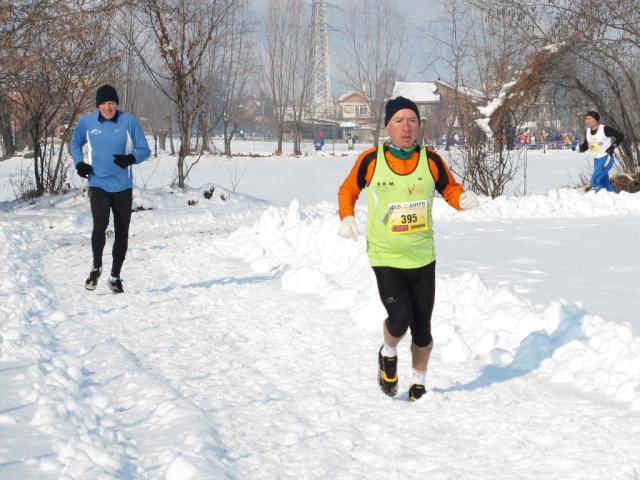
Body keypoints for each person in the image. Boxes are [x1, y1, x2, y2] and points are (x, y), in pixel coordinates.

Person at [337, 96, 479, 401]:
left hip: (422, 256)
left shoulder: (431, 161)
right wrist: (347, 216)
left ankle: (419, 383)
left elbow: (449, 188)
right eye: (399, 120)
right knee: (399, 317)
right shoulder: (370, 160)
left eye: (412, 120)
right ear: (388, 125)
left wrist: (462, 199)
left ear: (419, 126)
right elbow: (348, 189)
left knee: (423, 328)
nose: (406, 127)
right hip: (386, 255)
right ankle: (388, 353)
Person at [71, 84, 151, 293]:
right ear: (98, 105)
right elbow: (75, 144)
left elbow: (145, 149)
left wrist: (130, 158)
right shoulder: (87, 123)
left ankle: (115, 277)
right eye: (104, 103)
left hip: (123, 187)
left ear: (116, 104)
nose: (108, 107)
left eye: (111, 103)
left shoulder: (128, 122)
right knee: (100, 225)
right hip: (98, 183)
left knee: (122, 232)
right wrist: (80, 163)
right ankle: (96, 266)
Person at [579, 111, 624, 193]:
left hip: (606, 158)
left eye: (589, 118)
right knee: (604, 182)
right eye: (586, 119)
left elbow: (621, 136)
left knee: (595, 180)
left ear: (595, 120)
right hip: (596, 159)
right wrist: (579, 148)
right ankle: (611, 195)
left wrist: (612, 147)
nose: (587, 121)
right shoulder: (587, 131)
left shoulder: (605, 129)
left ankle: (597, 195)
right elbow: (586, 145)